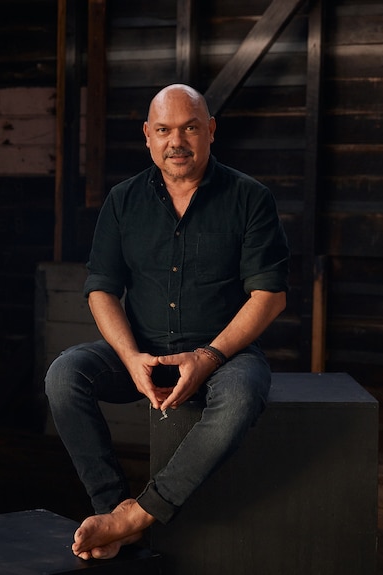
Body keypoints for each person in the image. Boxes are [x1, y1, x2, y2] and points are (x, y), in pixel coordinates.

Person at [44, 84, 289, 560]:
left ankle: (140, 514)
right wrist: (129, 356)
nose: (176, 141)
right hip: (145, 352)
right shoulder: (123, 200)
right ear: (148, 137)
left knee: (243, 393)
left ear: (210, 131)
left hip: (224, 354)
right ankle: (113, 509)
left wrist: (210, 355)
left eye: (190, 128)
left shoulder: (250, 197)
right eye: (164, 130)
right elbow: (101, 289)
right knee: (64, 375)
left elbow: (270, 296)